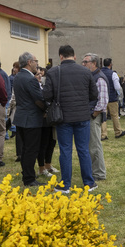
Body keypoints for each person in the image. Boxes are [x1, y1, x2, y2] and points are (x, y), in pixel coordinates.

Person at [44, 44, 97, 193]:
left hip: (63, 118)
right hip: (82, 116)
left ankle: (65, 184)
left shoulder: (53, 72)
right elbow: (94, 94)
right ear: (74, 56)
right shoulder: (86, 72)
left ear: (60, 57)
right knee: (83, 150)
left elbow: (47, 95)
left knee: (65, 151)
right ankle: (89, 183)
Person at [12, 52, 46, 187]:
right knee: (31, 149)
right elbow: (38, 99)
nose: (37, 64)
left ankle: (27, 174)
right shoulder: (30, 79)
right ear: (29, 62)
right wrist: (45, 109)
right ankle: (29, 178)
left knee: (26, 149)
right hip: (31, 119)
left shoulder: (18, 76)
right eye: (36, 61)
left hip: (21, 117)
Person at [85, 53, 109, 181]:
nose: (83, 64)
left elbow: (103, 101)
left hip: (94, 116)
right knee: (91, 145)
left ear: (93, 63)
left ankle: (99, 173)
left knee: (95, 145)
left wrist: (93, 114)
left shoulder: (99, 78)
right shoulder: (93, 77)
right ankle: (95, 170)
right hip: (92, 115)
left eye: (86, 62)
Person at [36, 66, 57, 177]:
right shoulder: (35, 86)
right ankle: (41, 167)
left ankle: (48, 164)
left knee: (51, 142)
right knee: (43, 144)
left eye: (40, 74)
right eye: (37, 74)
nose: (40, 75)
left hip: (50, 117)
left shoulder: (44, 85)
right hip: (41, 118)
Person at [101, 57, 125, 139]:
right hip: (112, 98)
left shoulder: (99, 73)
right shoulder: (113, 74)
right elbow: (117, 87)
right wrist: (119, 96)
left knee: (103, 116)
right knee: (114, 115)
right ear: (110, 64)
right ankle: (118, 132)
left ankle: (103, 134)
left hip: (102, 98)